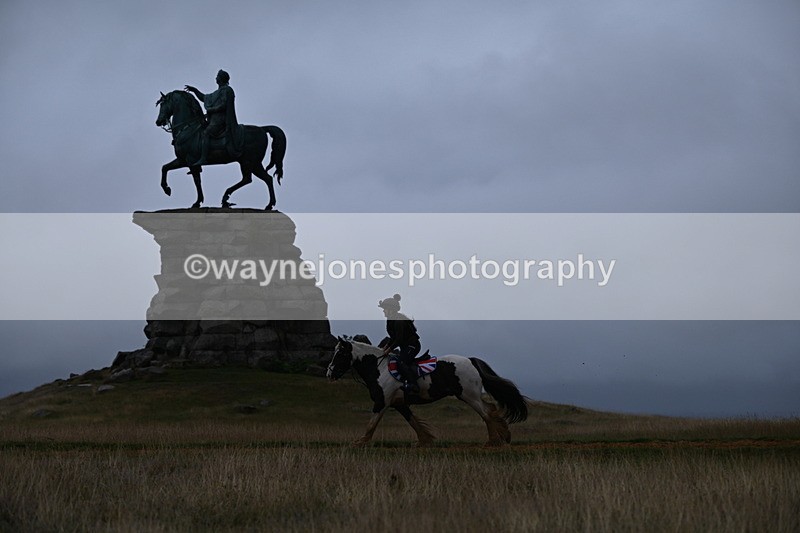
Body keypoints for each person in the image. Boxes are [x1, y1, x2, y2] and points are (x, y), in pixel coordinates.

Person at [184, 69, 243, 165]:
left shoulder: (227, 90)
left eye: (217, 76)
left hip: (221, 120)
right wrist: (194, 90)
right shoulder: (217, 93)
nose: (216, 78)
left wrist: (212, 110)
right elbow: (204, 98)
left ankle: (203, 158)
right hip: (214, 120)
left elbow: (224, 105)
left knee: (206, 133)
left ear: (221, 78)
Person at [379, 294, 421, 393]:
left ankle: (413, 384)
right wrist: (385, 348)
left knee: (401, 362)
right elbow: (393, 338)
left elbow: (399, 340)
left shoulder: (399, 321)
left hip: (413, 345)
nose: (383, 311)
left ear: (391, 309)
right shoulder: (390, 320)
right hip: (405, 346)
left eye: (385, 309)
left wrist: (388, 350)